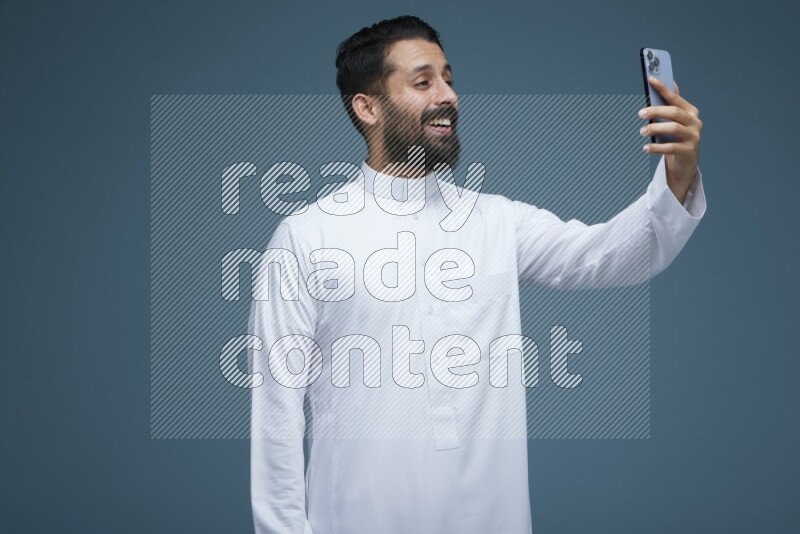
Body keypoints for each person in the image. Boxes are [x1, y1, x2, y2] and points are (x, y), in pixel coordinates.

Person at [249, 15, 706, 534]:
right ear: (367, 107)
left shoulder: (496, 221)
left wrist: (678, 172)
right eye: (423, 82)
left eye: (448, 78)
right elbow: (276, 415)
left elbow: (611, 254)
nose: (447, 95)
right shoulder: (308, 237)